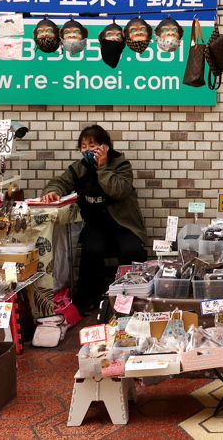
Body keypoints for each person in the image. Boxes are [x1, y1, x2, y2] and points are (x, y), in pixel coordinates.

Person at [41, 125, 148, 315]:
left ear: (105, 146)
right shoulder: (79, 168)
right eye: (84, 146)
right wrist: (52, 191)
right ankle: (86, 301)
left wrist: (103, 166)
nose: (88, 150)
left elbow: (118, 190)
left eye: (93, 145)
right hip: (95, 225)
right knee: (92, 250)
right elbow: (60, 181)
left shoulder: (121, 164)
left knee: (132, 250)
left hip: (123, 224)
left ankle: (136, 299)